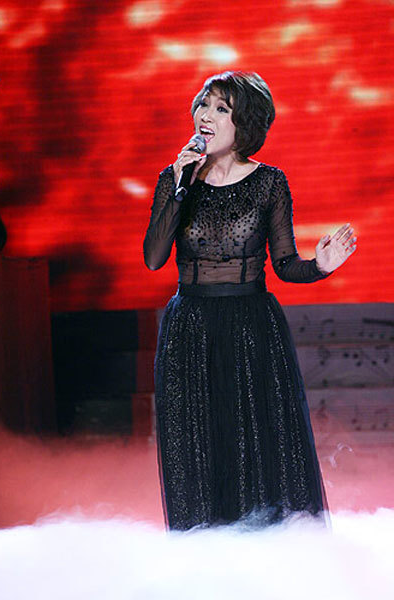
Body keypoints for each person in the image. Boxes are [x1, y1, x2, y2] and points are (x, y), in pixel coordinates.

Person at [143, 71, 357, 532]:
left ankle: (265, 547)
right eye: (203, 104)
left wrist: (320, 266)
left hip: (250, 327)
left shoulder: (269, 183)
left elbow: (285, 264)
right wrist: (178, 185)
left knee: (255, 443)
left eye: (221, 108)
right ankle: (205, 551)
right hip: (190, 328)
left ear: (245, 123)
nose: (206, 115)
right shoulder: (175, 179)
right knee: (198, 444)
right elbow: (154, 259)